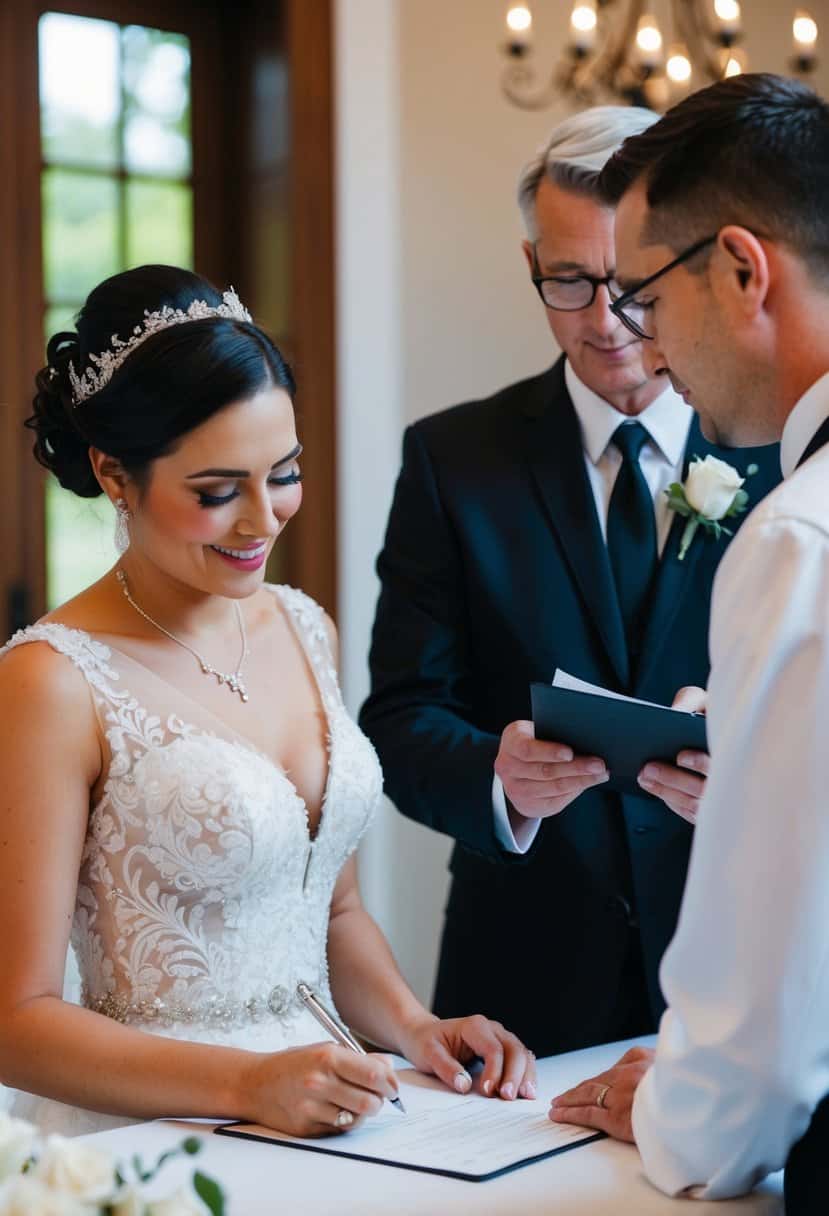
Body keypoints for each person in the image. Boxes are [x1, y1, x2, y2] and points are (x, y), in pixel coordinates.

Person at [0, 265, 535, 1139]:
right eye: (217, 493)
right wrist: (248, 1085)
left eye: (282, 473)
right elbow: (14, 1024)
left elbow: (330, 909)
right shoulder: (51, 680)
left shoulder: (299, 626)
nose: (262, 520)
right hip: (156, 1134)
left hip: (334, 1106)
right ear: (114, 475)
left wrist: (413, 1026)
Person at [359, 108, 779, 1057]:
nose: (604, 320)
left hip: (740, 968)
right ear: (529, 265)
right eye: (567, 281)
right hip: (522, 986)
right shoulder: (451, 459)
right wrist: (496, 778)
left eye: (629, 284)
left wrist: (750, 774)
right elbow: (400, 715)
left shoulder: (785, 461)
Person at [548, 74, 829, 1208]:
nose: (644, 344)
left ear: (741, 269)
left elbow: (748, 1068)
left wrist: (674, 1111)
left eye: (649, 297)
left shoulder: (800, 537)